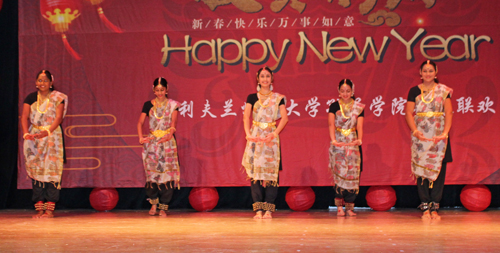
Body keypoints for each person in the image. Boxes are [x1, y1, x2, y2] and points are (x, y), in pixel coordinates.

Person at [405, 60, 453, 220]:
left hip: (439, 137)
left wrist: (445, 133)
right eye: (425, 71)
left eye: (430, 71)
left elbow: (449, 112)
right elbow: (408, 114)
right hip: (421, 138)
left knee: (439, 171)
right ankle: (425, 205)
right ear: (420, 73)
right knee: (421, 171)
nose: (427, 74)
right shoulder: (414, 91)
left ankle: (435, 206)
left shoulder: (444, 91)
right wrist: (415, 131)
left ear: (436, 72)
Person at [242, 66, 288, 219]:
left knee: (270, 173)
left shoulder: (278, 98)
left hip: (271, 139)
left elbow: (285, 118)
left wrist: (274, 133)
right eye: (262, 76)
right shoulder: (251, 97)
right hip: (256, 138)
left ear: (272, 78)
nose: (265, 79)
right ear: (258, 79)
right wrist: (248, 135)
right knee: (255, 174)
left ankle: (268, 209)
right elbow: (245, 117)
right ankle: (258, 210)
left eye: (267, 76)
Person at [21, 70, 68, 218]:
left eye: (45, 80)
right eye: (40, 80)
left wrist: (47, 132)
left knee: (52, 171)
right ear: (36, 82)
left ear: (51, 82)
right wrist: (26, 134)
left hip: (52, 137)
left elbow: (58, 118)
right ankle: (39, 208)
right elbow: (24, 117)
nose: (42, 83)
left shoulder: (58, 98)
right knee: (37, 171)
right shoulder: (31, 98)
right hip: (34, 137)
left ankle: (49, 210)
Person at [137, 77, 180, 217]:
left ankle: (164, 207)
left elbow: (173, 123)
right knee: (152, 174)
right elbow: (140, 123)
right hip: (152, 143)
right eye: (157, 90)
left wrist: (170, 133)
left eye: (162, 90)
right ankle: (154, 204)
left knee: (167, 175)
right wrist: (141, 138)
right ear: (153, 90)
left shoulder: (173, 105)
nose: (160, 92)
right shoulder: (148, 105)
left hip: (167, 142)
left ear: (167, 89)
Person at [328, 79, 364, 216]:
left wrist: (359, 139)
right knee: (339, 174)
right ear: (338, 91)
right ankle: (339, 207)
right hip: (339, 143)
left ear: (352, 91)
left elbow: (359, 126)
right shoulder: (334, 106)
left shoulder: (358, 107)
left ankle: (350, 207)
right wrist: (334, 140)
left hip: (352, 143)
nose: (345, 93)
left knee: (352, 173)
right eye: (342, 91)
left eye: (348, 91)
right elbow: (331, 125)